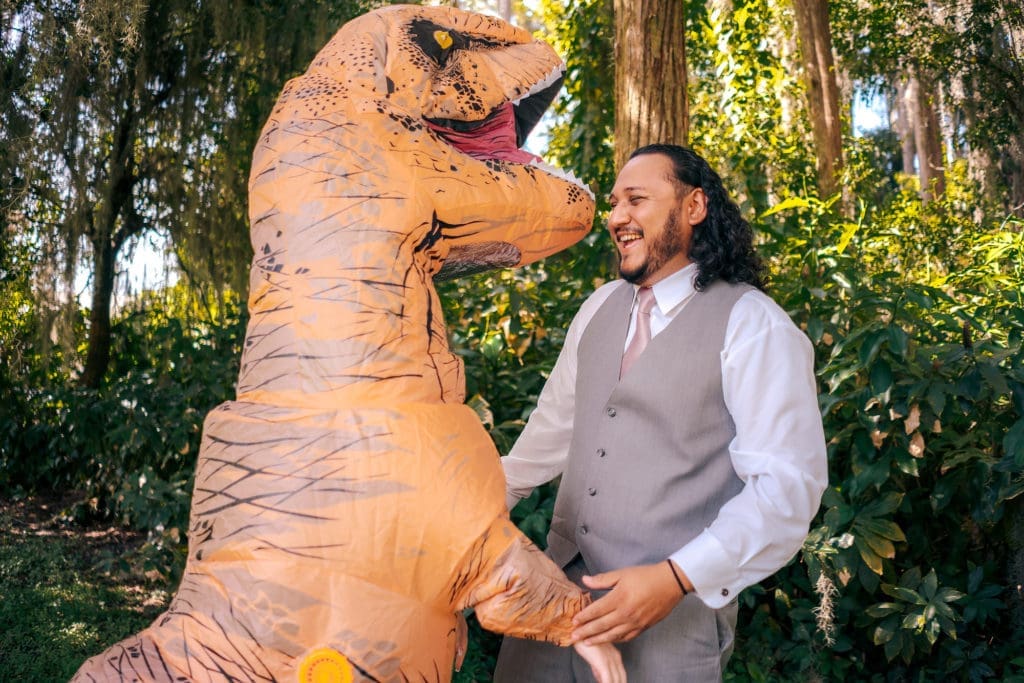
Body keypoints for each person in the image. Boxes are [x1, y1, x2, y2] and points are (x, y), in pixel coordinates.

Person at [492, 144, 828, 681]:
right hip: (552, 613)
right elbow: (544, 442)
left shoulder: (754, 325)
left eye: (636, 200)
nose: (616, 217)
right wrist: (458, 517)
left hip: (673, 627)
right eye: (614, 203)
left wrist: (675, 578)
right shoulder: (597, 308)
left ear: (694, 207)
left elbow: (786, 489)